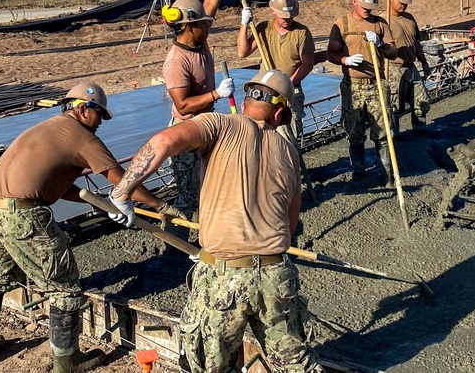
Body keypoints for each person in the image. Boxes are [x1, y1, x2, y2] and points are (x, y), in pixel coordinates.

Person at [108, 70, 324, 373]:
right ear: (279, 112)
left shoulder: (219, 124)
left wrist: (121, 192)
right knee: (295, 362)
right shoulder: (288, 150)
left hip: (224, 277)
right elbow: (289, 224)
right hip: (276, 273)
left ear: (247, 100)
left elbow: (164, 141)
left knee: (211, 365)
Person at [0, 82, 169, 373]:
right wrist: (158, 206)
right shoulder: (82, 137)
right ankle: (67, 360)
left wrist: (107, 205)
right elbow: (120, 178)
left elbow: (58, 187)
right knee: (65, 287)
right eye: (99, 114)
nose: (101, 122)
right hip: (22, 216)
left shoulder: (50, 127)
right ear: (82, 109)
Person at [161, 0, 233, 224]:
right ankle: (175, 247)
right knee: (187, 195)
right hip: (185, 133)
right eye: (203, 22)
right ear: (190, 27)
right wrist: (217, 94)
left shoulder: (199, 39)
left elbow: (211, 1)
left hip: (205, 124)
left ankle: (209, 234)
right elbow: (182, 105)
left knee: (210, 185)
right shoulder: (177, 61)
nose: (209, 23)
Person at [326, 0, 398, 184]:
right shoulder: (342, 24)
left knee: (383, 132)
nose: (367, 10)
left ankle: (387, 175)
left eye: (371, 6)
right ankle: (359, 174)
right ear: (354, 1)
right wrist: (344, 60)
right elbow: (330, 54)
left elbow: (393, 53)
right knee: (354, 132)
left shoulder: (380, 23)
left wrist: (381, 43)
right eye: (364, 6)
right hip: (352, 86)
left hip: (377, 84)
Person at [236, 0, 316, 144]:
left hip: (291, 91)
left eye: (291, 16)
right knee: (262, 138)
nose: (287, 19)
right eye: (283, 16)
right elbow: (242, 52)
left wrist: (287, 85)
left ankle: (295, 168)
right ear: (273, 10)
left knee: (288, 141)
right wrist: (244, 24)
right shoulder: (263, 29)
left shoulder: (301, 33)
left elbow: (307, 64)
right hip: (263, 93)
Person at [385, 0, 432, 135]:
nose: (403, 5)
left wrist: (424, 62)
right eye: (400, 2)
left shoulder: (409, 18)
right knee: (395, 106)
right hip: (393, 68)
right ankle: (395, 138)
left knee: (421, 102)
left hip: (411, 67)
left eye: (406, 2)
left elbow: (415, 43)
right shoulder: (383, 21)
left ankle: (420, 132)